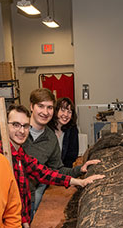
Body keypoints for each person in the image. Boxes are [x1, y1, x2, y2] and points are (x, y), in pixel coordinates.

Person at [0, 104, 102, 228]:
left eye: (25, 126)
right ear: (5, 126)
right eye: (16, 125)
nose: (21, 131)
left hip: (17, 226)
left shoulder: (20, 154)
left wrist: (79, 181)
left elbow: (44, 173)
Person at [23, 88, 98, 218]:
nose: (45, 112)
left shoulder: (51, 139)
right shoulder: (14, 129)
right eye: (41, 106)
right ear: (31, 106)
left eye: (49, 108)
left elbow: (57, 169)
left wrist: (80, 170)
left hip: (29, 196)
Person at [54, 97, 81, 168]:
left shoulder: (72, 130)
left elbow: (72, 156)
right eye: (62, 110)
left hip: (63, 170)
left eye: (69, 112)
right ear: (56, 111)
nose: (66, 115)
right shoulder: (47, 128)